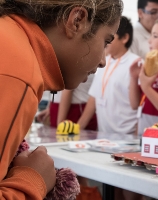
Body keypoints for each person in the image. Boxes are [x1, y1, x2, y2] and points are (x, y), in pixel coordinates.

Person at [0, 0, 122, 199]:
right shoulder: (20, 72)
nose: (102, 61)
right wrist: (33, 179)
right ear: (77, 21)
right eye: (106, 42)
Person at [78, 16, 138, 135]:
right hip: (104, 136)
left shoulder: (136, 64)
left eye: (110, 38)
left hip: (128, 137)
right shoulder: (104, 61)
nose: (106, 42)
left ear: (125, 38)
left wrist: (136, 139)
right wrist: (78, 128)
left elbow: (140, 106)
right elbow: (93, 98)